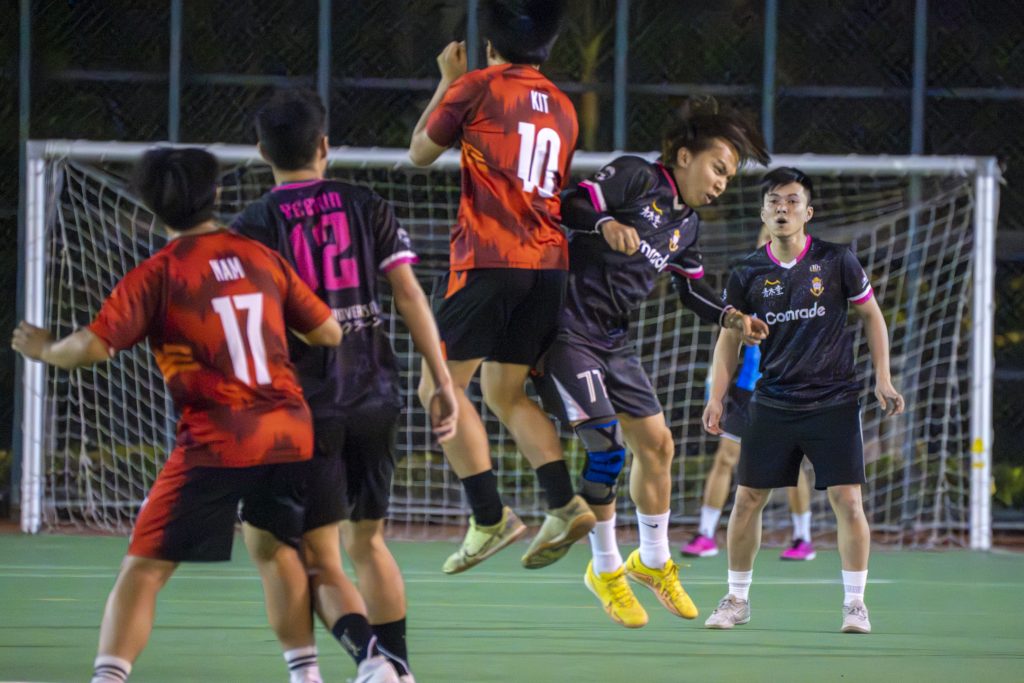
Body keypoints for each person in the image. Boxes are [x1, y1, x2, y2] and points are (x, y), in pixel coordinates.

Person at [11, 147, 342, 683]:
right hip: (287, 433)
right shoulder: (260, 256)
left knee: (143, 568)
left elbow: (93, 347)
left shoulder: (161, 273)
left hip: (218, 439)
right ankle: (307, 676)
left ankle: (108, 678)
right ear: (216, 194)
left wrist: (45, 349)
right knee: (278, 552)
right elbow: (328, 331)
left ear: (150, 206)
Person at [232, 89, 456, 683]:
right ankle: (399, 670)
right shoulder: (366, 204)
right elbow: (409, 295)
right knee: (370, 542)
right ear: (325, 145)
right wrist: (442, 379)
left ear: (262, 152)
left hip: (307, 406)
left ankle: (371, 662)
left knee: (314, 556)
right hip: (375, 395)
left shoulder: (253, 225)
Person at [531, 98, 771, 628]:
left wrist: (732, 316)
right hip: (568, 330)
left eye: (728, 177)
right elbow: (570, 202)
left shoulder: (688, 226)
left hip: (615, 341)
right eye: (717, 168)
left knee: (659, 445)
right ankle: (605, 568)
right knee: (607, 446)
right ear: (684, 156)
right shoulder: (637, 176)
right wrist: (603, 224)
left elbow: (692, 291)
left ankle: (654, 561)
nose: (721, 184)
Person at [408, 0, 596, 574]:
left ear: (490, 47)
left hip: (491, 259)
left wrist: (447, 82)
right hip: (548, 267)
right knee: (504, 391)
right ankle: (564, 504)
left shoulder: (477, 86)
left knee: (438, 389)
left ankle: (489, 517)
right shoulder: (563, 106)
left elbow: (420, 153)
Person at [703, 167, 905, 634]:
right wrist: (716, 397)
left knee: (848, 501)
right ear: (762, 213)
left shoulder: (837, 260)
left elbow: (872, 316)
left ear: (807, 212)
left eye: (792, 201)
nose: (783, 208)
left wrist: (883, 378)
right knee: (747, 499)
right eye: (774, 201)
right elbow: (728, 339)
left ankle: (855, 605)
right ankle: (737, 599)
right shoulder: (747, 272)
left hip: (834, 401)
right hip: (772, 401)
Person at [682, 226, 816, 562]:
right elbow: (728, 334)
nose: (770, 241)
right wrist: (716, 386)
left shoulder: (806, 287)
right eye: (765, 236)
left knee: (791, 463)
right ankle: (706, 533)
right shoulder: (747, 281)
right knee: (726, 457)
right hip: (747, 389)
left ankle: (803, 537)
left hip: (786, 388)